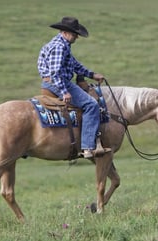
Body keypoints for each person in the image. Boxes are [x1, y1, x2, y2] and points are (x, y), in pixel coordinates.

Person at [37, 17, 108, 159]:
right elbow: (55, 72)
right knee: (91, 105)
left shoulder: (63, 45)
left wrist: (92, 74)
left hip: (55, 81)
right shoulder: (59, 47)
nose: (76, 36)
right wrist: (64, 91)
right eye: (74, 33)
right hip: (57, 82)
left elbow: (75, 65)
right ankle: (88, 147)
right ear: (64, 32)